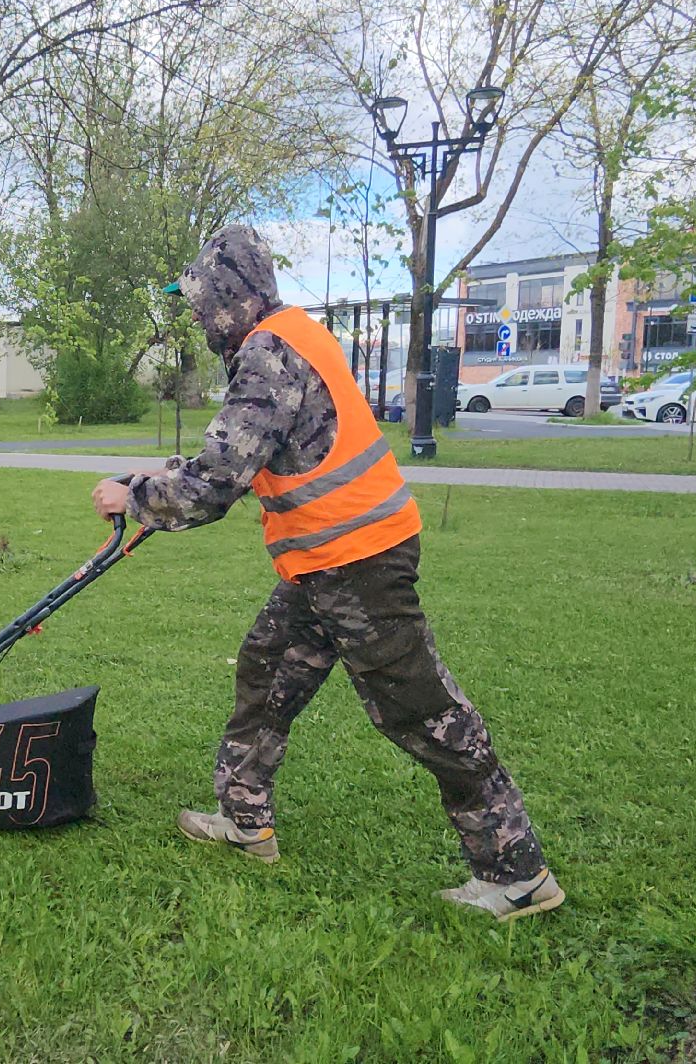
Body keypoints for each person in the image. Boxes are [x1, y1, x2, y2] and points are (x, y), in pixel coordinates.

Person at [90, 224, 561, 921]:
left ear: (234, 296)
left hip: (360, 564)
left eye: (201, 300)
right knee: (267, 669)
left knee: (424, 712)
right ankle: (245, 820)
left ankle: (517, 873)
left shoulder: (267, 355)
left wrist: (132, 497)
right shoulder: (292, 335)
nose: (195, 315)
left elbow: (219, 483)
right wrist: (157, 473)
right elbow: (251, 453)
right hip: (325, 564)